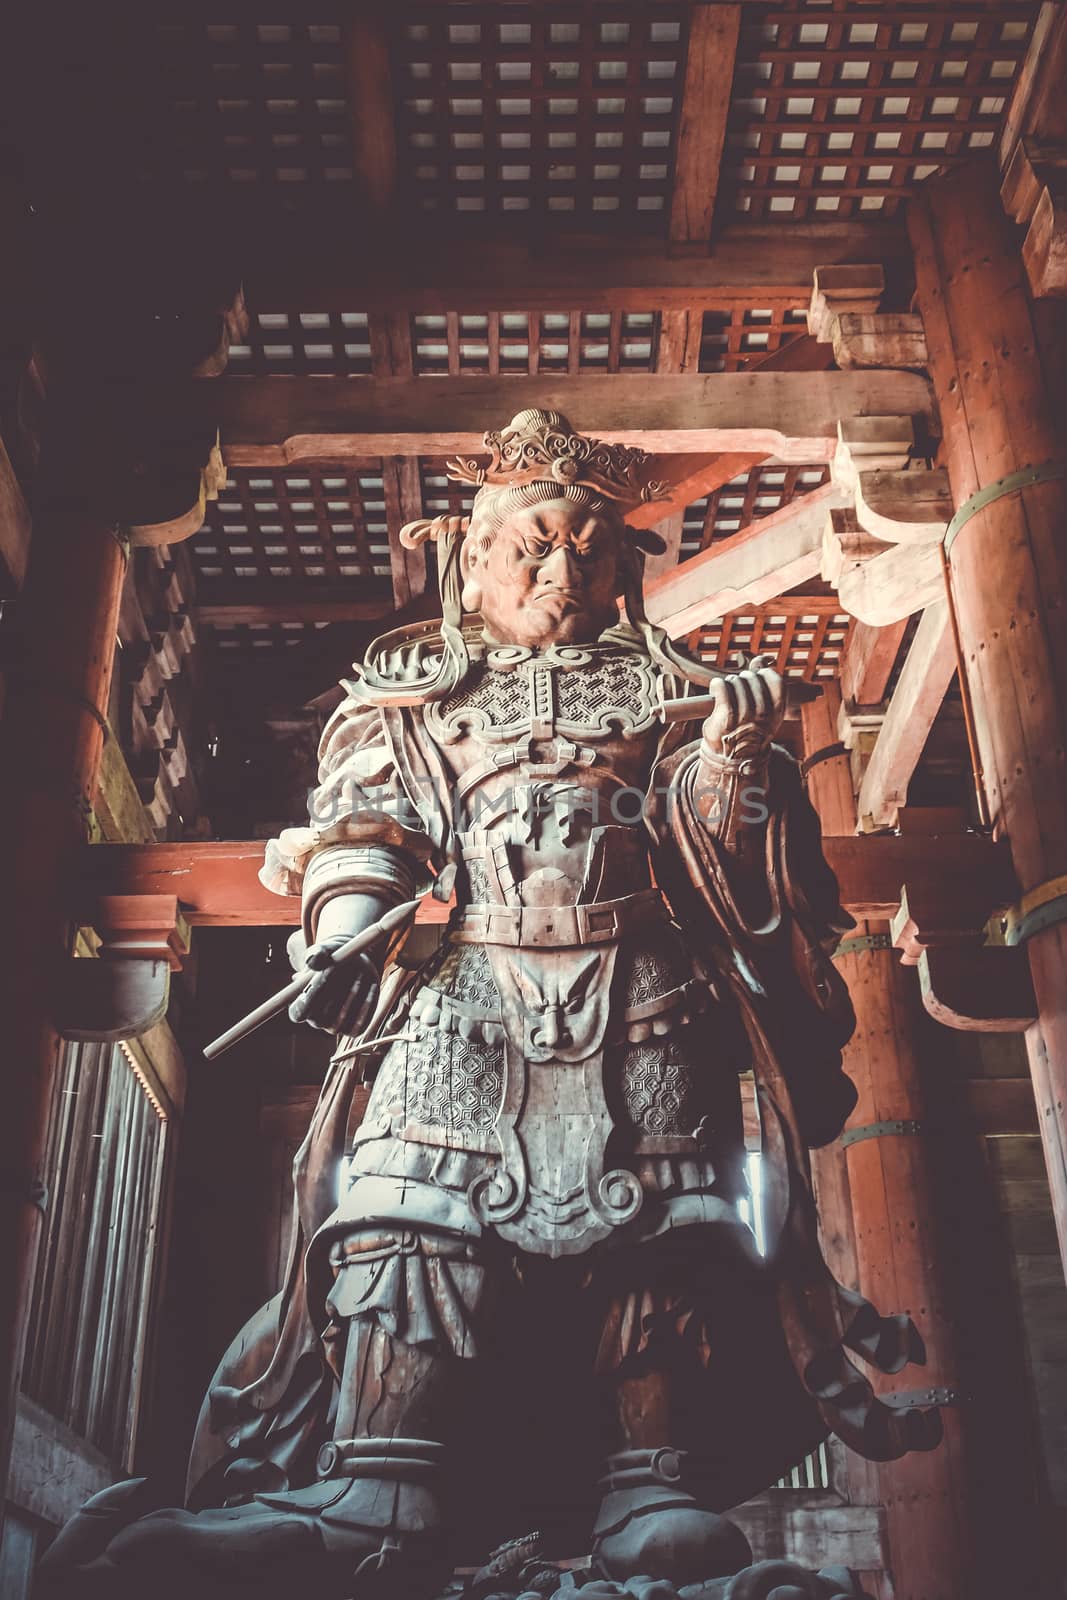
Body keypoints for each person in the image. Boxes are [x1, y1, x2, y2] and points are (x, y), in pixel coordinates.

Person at [41, 413, 939, 1599]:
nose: (556, 568)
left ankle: (649, 1476)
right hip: (466, 986)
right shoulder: (414, 686)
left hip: (641, 993)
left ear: (621, 567)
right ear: (472, 558)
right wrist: (344, 921)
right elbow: (371, 814)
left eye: (581, 546)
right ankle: (376, 1478)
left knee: (656, 1222)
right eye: (528, 544)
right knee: (404, 1206)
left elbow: (733, 861)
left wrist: (730, 761)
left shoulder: (673, 690)